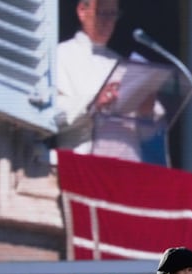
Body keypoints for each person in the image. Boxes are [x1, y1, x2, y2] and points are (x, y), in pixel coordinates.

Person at [54, 0, 164, 161]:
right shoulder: (62, 54)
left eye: (113, 14)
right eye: (103, 13)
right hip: (83, 164)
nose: (109, 22)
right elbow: (50, 115)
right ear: (82, 11)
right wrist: (93, 103)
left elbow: (148, 136)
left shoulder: (123, 64)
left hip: (127, 166)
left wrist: (145, 113)